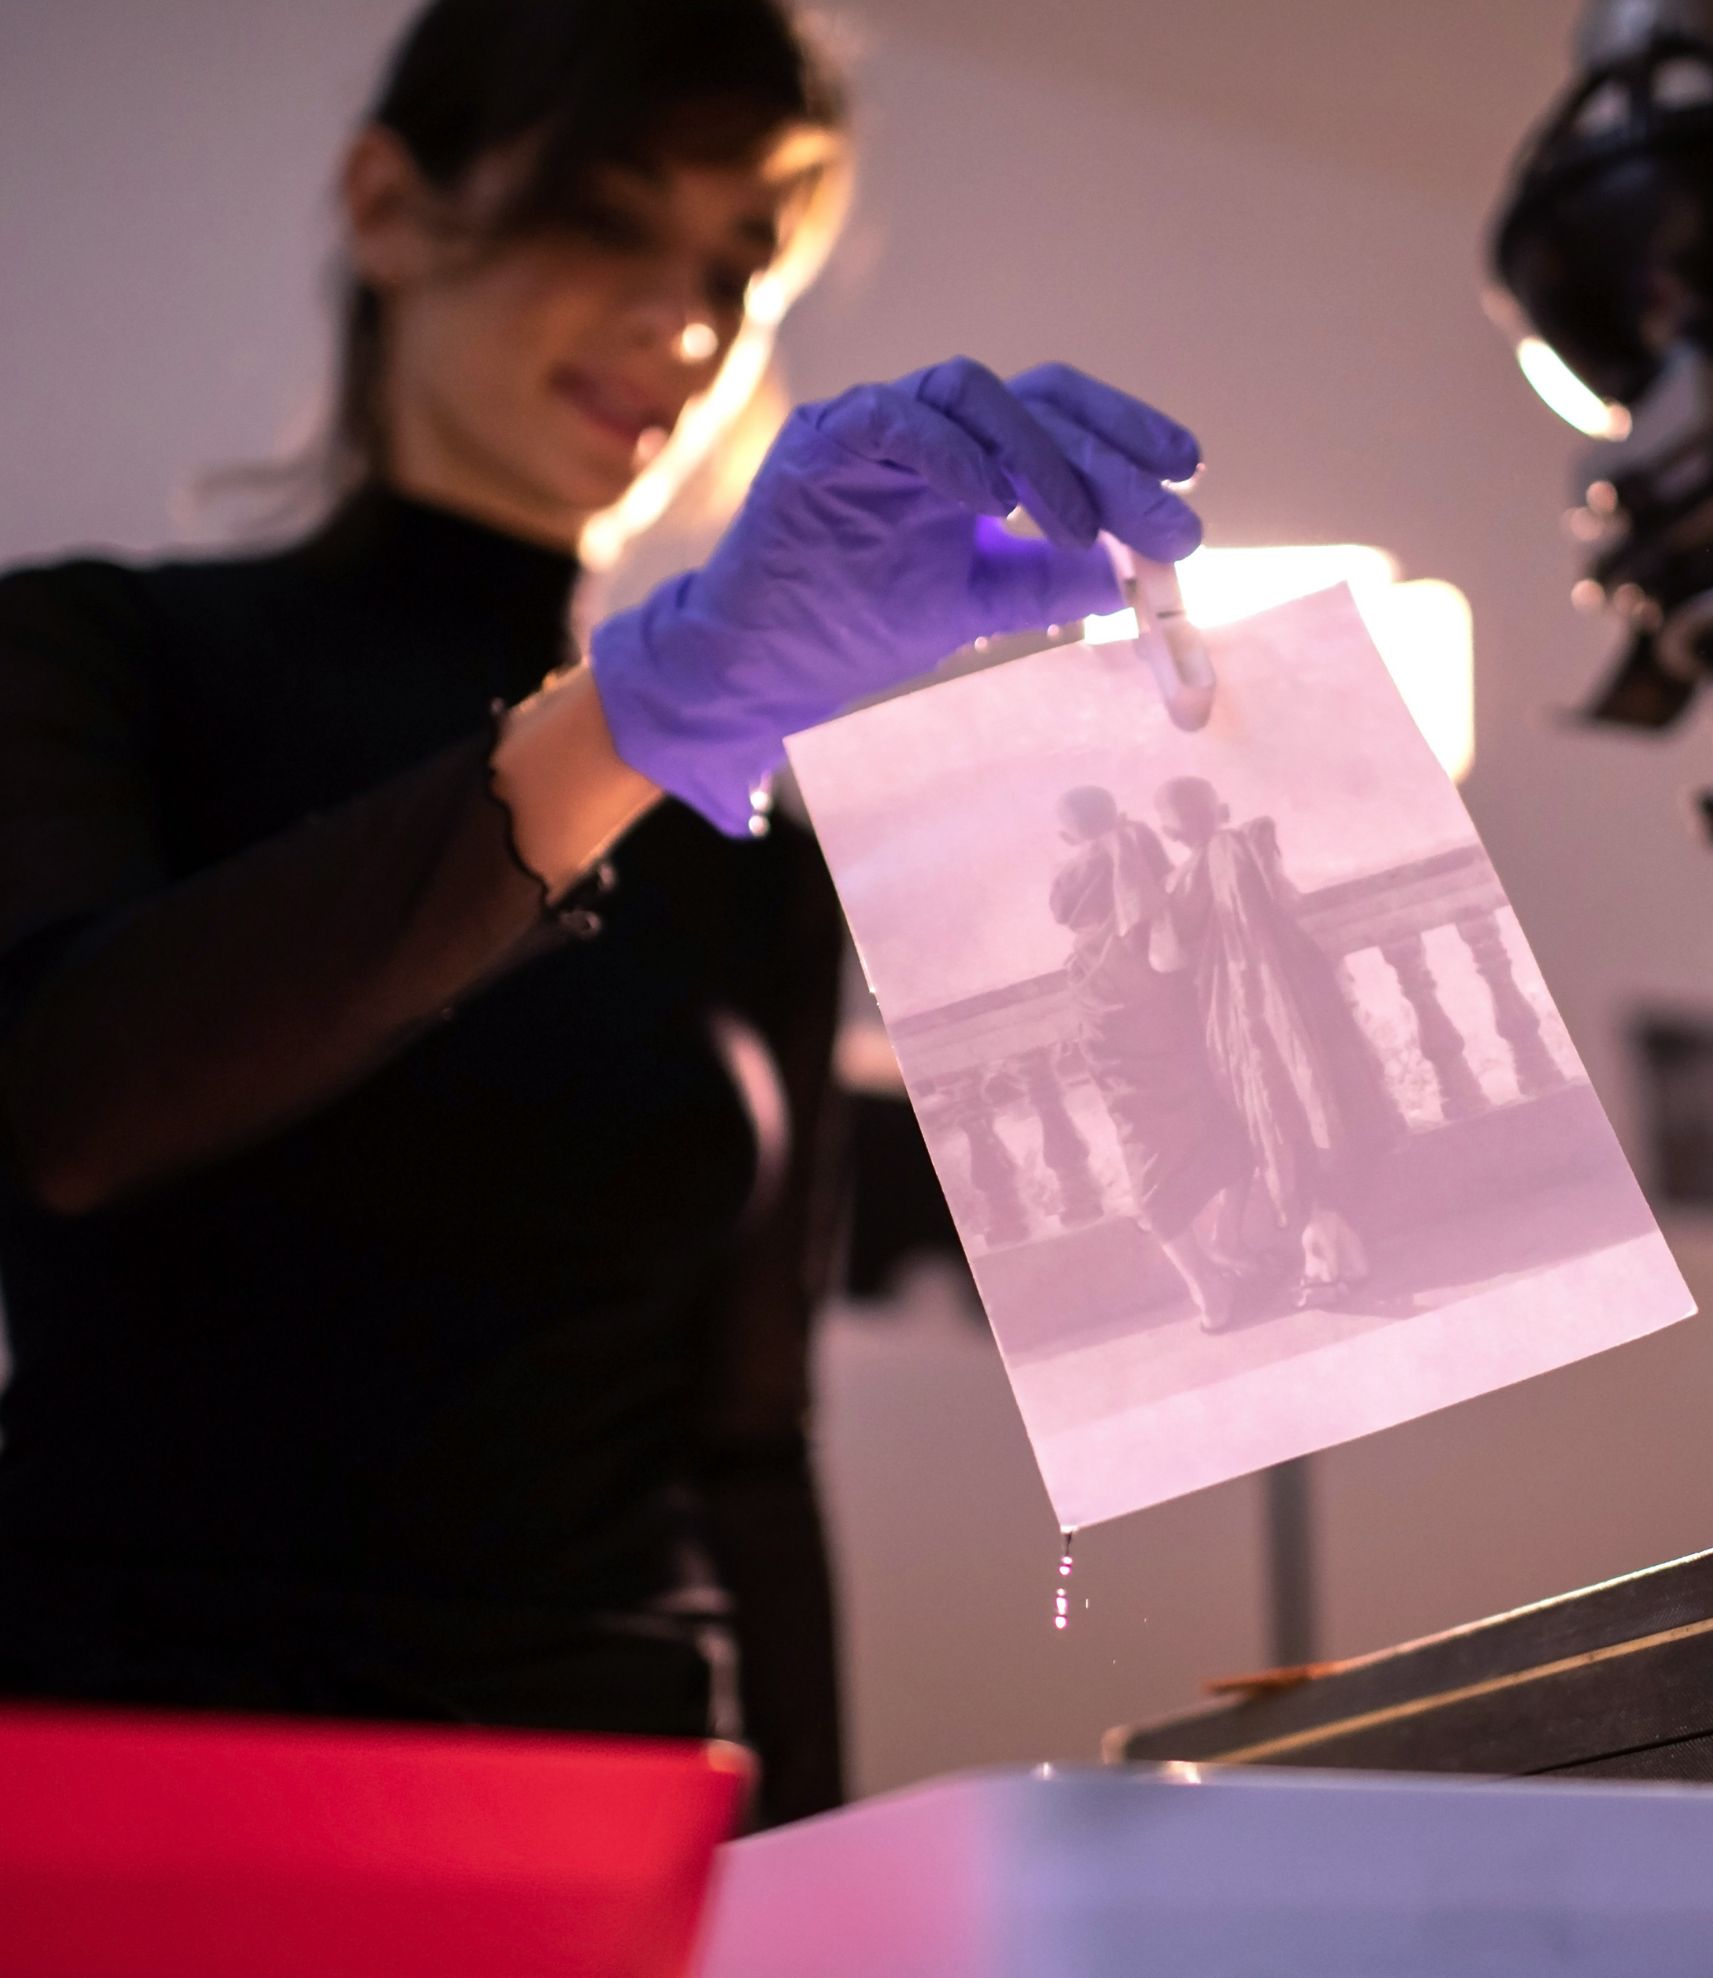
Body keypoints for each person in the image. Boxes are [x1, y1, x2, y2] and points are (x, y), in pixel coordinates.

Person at [0, 0, 1204, 1826]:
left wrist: (812, 1878)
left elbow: (742, 1445)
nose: (693, 321)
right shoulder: (98, 655)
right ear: (390, 204)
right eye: (613, 219)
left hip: (603, 1805)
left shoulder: (746, 856)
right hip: (136, 1782)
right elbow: (74, 1107)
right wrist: (653, 704)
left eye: (742, 263)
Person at [1151, 777, 1401, 1304]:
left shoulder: (1183, 883)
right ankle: (1334, 1245)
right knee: (1320, 1104)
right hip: (1297, 997)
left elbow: (1167, 959)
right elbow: (1288, 900)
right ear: (1219, 807)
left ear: (1170, 831)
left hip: (1236, 1017)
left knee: (1281, 1120)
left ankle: (1327, 1250)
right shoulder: (1248, 844)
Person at [1047, 787, 1249, 1327]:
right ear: (1116, 813)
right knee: (1224, 1111)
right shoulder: (1138, 843)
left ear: (1067, 836)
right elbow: (1172, 907)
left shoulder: (1067, 881)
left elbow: (1068, 916)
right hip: (1167, 1011)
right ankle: (1229, 1233)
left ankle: (1206, 1287)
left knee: (1144, 1148)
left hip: (1106, 1020)